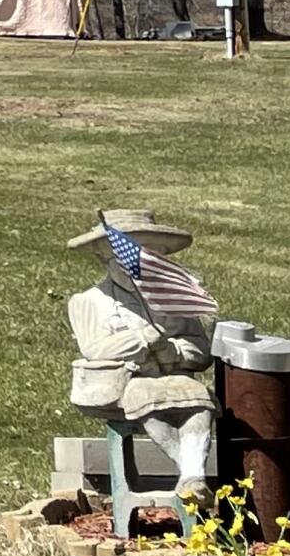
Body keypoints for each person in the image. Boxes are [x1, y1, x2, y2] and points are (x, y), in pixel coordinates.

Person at [64, 208, 220, 503]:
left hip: (174, 377)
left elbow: (201, 352)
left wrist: (172, 350)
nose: (139, 268)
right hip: (127, 382)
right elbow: (95, 350)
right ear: (106, 259)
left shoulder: (173, 300)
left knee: (199, 400)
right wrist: (144, 338)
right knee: (148, 402)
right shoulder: (89, 302)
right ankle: (191, 472)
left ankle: (191, 477)